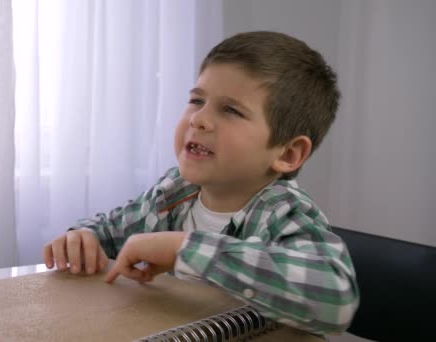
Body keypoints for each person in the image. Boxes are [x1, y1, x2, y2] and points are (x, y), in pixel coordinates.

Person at [43, 31, 359, 335]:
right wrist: (84, 238)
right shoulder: (174, 192)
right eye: (197, 101)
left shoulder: (282, 210)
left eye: (231, 110)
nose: (199, 119)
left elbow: (337, 297)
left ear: (288, 154)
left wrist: (185, 248)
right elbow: (109, 233)